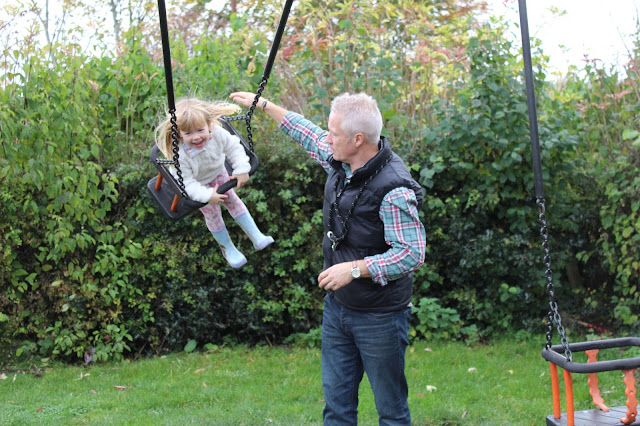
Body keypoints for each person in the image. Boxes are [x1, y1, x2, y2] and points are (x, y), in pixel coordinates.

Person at [229, 91, 425, 425]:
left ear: (357, 139)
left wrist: (355, 269)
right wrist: (264, 105)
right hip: (339, 308)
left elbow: (411, 253)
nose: (327, 138)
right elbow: (306, 133)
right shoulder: (342, 160)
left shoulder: (394, 189)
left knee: (391, 412)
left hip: (380, 317)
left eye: (333, 133)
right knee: (337, 409)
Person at [155, 98, 274, 268]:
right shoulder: (179, 155)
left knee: (233, 200)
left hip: (218, 173)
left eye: (200, 130)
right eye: (188, 133)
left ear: (209, 124)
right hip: (199, 185)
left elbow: (234, 147)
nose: (196, 137)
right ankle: (228, 249)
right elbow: (187, 183)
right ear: (179, 133)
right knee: (212, 214)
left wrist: (241, 168)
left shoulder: (217, 133)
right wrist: (207, 195)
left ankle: (256, 235)